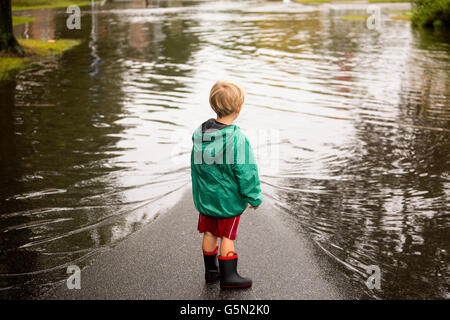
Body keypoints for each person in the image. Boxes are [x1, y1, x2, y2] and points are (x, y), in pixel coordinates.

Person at [191, 80, 262, 289]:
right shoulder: (237, 138)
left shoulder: (200, 133)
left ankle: (211, 271)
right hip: (227, 201)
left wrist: (200, 190)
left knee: (210, 232)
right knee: (227, 236)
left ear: (213, 105)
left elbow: (197, 166)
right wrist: (254, 197)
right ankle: (229, 277)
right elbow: (246, 171)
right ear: (239, 109)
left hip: (206, 196)